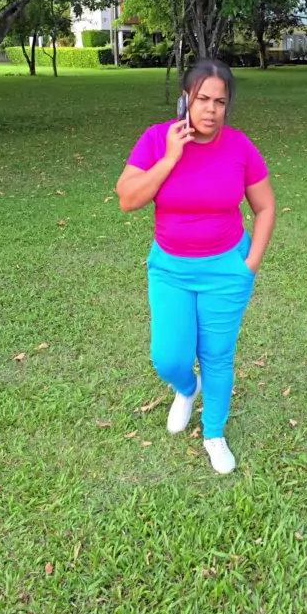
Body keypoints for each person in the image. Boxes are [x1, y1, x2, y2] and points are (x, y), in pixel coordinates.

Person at [116, 58, 276, 474]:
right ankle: (187, 388)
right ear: (185, 98)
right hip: (171, 270)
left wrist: (250, 265)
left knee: (217, 356)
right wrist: (171, 156)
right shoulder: (157, 139)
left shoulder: (239, 147)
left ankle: (214, 433)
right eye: (203, 98)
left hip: (227, 270)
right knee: (168, 357)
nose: (211, 109)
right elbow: (128, 199)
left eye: (220, 102)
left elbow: (265, 207)